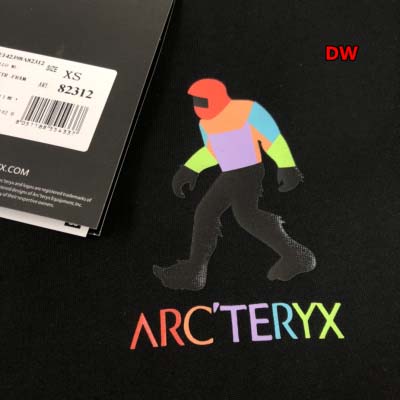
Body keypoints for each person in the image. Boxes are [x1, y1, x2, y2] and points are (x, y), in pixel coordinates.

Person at [153, 78, 316, 291]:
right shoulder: (205, 124)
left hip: (249, 172)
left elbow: (272, 139)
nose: (198, 106)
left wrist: (286, 166)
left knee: (232, 215)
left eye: (202, 101)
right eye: (195, 101)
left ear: (217, 98)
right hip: (230, 173)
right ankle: (196, 273)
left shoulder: (248, 110)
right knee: (222, 214)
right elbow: (213, 151)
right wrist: (190, 169)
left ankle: (297, 256)